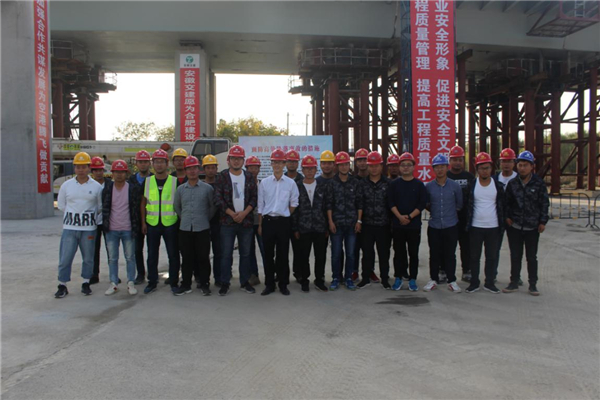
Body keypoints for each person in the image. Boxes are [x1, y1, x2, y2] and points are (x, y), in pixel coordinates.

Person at [54, 152, 103, 298]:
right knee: (65, 258)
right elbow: (61, 205)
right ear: (74, 168)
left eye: (84, 167)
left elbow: (100, 206)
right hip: (70, 228)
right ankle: (62, 284)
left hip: (89, 229)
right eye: (78, 167)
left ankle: (86, 282)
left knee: (88, 258)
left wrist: (87, 217)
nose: (81, 170)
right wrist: (75, 215)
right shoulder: (66, 185)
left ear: (89, 168)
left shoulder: (96, 187)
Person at [502, 151, 549, 296]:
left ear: (531, 166)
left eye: (525, 165)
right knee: (515, 256)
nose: (522, 168)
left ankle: (533, 284)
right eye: (520, 165)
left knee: (531, 257)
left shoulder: (538, 183)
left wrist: (542, 221)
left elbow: (544, 203)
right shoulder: (512, 183)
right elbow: (506, 203)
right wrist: (507, 217)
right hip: (515, 226)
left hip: (532, 226)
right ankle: (514, 282)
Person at [214, 145, 258, 296]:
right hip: (227, 222)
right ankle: (225, 283)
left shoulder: (249, 177)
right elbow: (218, 198)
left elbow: (254, 198)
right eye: (234, 158)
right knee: (226, 254)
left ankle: (244, 282)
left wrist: (244, 213)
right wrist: (232, 214)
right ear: (229, 160)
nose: (236, 161)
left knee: (245, 254)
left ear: (243, 160)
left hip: (246, 222)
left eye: (239, 158)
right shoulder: (222, 176)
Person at [258, 148, 299, 296]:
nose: (277, 165)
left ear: (284, 164)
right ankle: (269, 284)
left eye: (280, 162)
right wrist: (260, 224)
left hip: (283, 223)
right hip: (268, 222)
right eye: (274, 162)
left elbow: (294, 203)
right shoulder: (264, 183)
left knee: (283, 255)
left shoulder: (290, 183)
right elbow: (260, 206)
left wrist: (284, 213)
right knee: (268, 255)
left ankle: (283, 284)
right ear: (271, 164)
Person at [173, 156, 216, 296]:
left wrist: (204, 219)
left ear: (199, 170)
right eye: (189, 168)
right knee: (186, 258)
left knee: (203, 258)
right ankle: (186, 284)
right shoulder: (180, 189)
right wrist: (186, 218)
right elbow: (177, 207)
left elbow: (212, 207)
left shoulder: (207, 189)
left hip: (202, 228)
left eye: (194, 168)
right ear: (185, 170)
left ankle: (204, 284)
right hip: (185, 229)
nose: (192, 171)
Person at [464, 153, 505, 294]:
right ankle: (474, 283)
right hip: (475, 226)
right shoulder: (472, 185)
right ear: (477, 169)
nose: (484, 171)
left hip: (493, 226)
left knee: (491, 256)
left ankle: (489, 282)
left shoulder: (497, 186)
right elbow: (466, 205)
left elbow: (503, 205)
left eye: (487, 168)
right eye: (481, 168)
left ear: (491, 168)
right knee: (474, 256)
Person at [140, 149, 180, 294]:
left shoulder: (174, 181)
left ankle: (174, 282)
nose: (159, 165)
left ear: (167, 164)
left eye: (162, 162)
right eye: (156, 162)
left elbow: (179, 203)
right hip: (152, 224)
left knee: (173, 255)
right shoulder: (147, 182)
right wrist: (143, 223)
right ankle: (152, 282)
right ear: (153, 164)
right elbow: (143, 203)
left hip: (171, 223)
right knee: (152, 255)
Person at [102, 160, 142, 296]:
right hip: (111, 229)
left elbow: (136, 208)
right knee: (112, 258)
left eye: (122, 172)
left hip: (128, 229)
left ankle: (130, 282)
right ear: (112, 173)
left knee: (130, 257)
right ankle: (113, 283)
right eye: (116, 172)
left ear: (126, 173)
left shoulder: (132, 188)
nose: (119, 175)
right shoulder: (108, 189)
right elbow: (105, 207)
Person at [388, 152, 427, 291]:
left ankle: (412, 279)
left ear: (413, 167)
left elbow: (421, 204)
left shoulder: (419, 185)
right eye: (403, 165)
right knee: (399, 253)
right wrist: (399, 217)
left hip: (414, 225)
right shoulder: (394, 184)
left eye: (408, 165)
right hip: (398, 225)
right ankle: (398, 277)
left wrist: (410, 217)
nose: (406, 167)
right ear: (399, 167)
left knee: (413, 253)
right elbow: (390, 202)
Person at [424, 154, 463, 293]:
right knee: (434, 254)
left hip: (450, 225)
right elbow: (427, 204)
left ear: (447, 168)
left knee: (450, 254)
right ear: (433, 169)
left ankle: (452, 280)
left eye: (442, 167)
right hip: (434, 225)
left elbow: (459, 204)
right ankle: (433, 279)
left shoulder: (455, 186)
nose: (440, 170)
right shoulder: (429, 187)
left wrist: (448, 214)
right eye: (437, 167)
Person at [292, 155, 330, 292]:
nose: (309, 171)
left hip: (320, 227)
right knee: (303, 256)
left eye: (312, 168)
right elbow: (294, 209)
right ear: (302, 170)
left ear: (316, 169)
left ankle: (319, 280)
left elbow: (327, 207)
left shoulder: (322, 186)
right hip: (303, 227)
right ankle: (304, 280)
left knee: (320, 255)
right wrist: (295, 228)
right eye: (307, 168)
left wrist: (327, 226)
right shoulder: (297, 186)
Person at [326, 151, 363, 291]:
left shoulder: (355, 182)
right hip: (336, 224)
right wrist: (330, 222)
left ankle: (348, 278)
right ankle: (336, 277)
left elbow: (359, 204)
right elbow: (329, 204)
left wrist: (359, 221)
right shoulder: (332, 183)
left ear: (349, 165)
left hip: (352, 225)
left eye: (346, 164)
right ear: (337, 166)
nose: (343, 167)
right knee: (336, 253)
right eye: (341, 164)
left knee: (351, 253)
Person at [356, 151, 391, 289]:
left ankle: (385, 279)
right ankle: (365, 278)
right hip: (367, 224)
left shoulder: (388, 183)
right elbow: (360, 203)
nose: (374, 168)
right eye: (371, 166)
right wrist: (359, 221)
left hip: (384, 225)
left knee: (384, 253)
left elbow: (391, 204)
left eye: (376, 165)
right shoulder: (362, 184)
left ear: (381, 166)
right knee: (367, 253)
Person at [447, 145, 475, 283]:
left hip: (465, 219)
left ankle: (467, 270)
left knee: (466, 246)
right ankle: (446, 271)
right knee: (448, 247)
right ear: (450, 161)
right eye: (454, 159)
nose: (457, 162)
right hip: (449, 218)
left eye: (460, 160)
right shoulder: (446, 176)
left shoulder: (469, 177)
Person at [128, 150, 153, 285]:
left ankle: (152, 274)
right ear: (136, 163)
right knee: (137, 249)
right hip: (135, 220)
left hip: (153, 219)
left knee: (152, 250)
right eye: (140, 162)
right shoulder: (131, 180)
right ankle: (141, 273)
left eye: (145, 162)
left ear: (149, 163)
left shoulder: (154, 179)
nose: (143, 164)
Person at [351, 148, 373, 282]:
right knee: (355, 247)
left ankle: (370, 271)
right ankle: (354, 271)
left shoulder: (374, 179)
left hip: (372, 220)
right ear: (356, 162)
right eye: (360, 160)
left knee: (369, 248)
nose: (362, 163)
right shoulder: (353, 180)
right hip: (355, 220)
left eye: (365, 160)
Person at [202, 154, 224, 288]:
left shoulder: (221, 184)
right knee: (203, 253)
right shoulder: (200, 185)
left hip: (219, 223)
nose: (211, 170)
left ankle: (218, 277)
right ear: (204, 169)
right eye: (208, 168)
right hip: (204, 224)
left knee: (219, 253)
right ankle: (204, 278)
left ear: (216, 169)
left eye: (213, 167)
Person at [90, 156, 110, 285]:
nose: (98, 173)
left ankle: (113, 274)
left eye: (100, 170)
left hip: (108, 221)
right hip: (93, 222)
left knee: (111, 249)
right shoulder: (89, 185)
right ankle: (94, 274)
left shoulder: (110, 184)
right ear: (92, 171)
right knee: (94, 250)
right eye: (95, 170)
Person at [285, 149, 304, 282]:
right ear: (285, 163)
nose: (292, 164)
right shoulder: (281, 179)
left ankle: (298, 273)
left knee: (298, 250)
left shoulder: (303, 180)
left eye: (294, 161)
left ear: (298, 163)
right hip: (283, 221)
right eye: (289, 161)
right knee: (282, 250)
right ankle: (282, 274)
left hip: (299, 222)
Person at [245, 155, 264, 286]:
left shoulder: (264, 184)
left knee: (265, 249)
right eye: (250, 167)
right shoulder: (243, 185)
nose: (252, 170)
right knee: (249, 250)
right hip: (247, 222)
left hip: (261, 222)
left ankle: (270, 273)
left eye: (255, 167)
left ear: (259, 169)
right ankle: (253, 275)